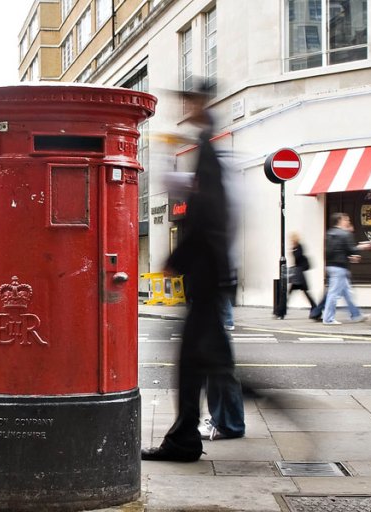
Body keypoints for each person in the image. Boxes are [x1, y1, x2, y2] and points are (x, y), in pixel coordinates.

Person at [142, 78, 244, 462]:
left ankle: (186, 439)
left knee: (195, 361)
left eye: (188, 100)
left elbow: (209, 218)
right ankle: (200, 431)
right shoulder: (206, 147)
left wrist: (176, 259)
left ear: (200, 102)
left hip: (206, 275)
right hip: (210, 275)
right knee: (206, 359)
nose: (184, 106)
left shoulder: (208, 150)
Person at [322, 213, 371, 325]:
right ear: (340, 220)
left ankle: (356, 315)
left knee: (347, 292)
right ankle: (328, 319)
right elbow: (351, 249)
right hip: (340, 268)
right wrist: (361, 247)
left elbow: (330, 252)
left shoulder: (329, 234)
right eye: (346, 219)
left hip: (331, 266)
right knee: (333, 293)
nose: (348, 221)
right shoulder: (345, 234)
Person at [288, 232, 317, 311]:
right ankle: (281, 311)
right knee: (290, 293)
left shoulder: (299, 246)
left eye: (292, 239)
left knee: (304, 292)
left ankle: (315, 307)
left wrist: (293, 250)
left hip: (299, 274)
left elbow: (297, 257)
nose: (291, 241)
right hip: (297, 274)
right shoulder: (296, 247)